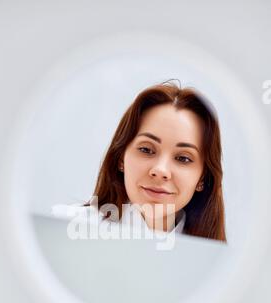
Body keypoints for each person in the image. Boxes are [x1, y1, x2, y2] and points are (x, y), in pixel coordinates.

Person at [58, 79, 227, 242]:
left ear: (202, 178)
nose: (160, 170)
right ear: (121, 158)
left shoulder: (218, 259)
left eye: (183, 158)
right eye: (146, 149)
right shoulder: (65, 228)